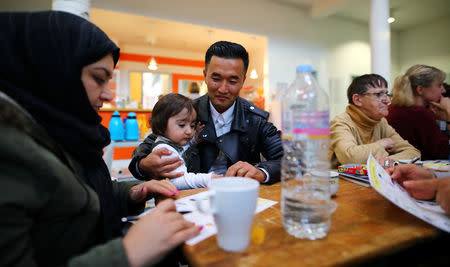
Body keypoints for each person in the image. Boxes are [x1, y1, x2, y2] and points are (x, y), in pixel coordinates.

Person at [0, 11, 200, 267]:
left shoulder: (58, 132)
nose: (107, 94)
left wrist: (136, 192)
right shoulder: (10, 150)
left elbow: (88, 192)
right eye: (98, 78)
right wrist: (128, 252)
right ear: (51, 68)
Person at [130, 41, 283, 183]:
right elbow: (145, 150)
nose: (223, 89)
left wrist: (262, 172)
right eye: (216, 79)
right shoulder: (187, 111)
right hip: (190, 197)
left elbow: (287, 160)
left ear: (243, 81)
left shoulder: (256, 119)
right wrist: (143, 164)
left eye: (232, 81)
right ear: (204, 75)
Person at [329, 74, 420, 168]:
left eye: (387, 94)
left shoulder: (380, 122)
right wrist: (381, 144)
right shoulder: (340, 123)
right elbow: (350, 159)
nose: (387, 100)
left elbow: (413, 153)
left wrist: (387, 162)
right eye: (379, 94)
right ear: (357, 100)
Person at [149, 93, 221, 189]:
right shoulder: (164, 150)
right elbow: (178, 180)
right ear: (161, 125)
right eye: (182, 125)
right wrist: (208, 178)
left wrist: (195, 140)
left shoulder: (174, 141)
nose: (189, 131)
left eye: (192, 126)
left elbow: (183, 149)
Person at [386, 65, 448, 160]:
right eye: (439, 85)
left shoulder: (393, 108)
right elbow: (442, 152)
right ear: (420, 90)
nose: (443, 90)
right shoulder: (420, 113)